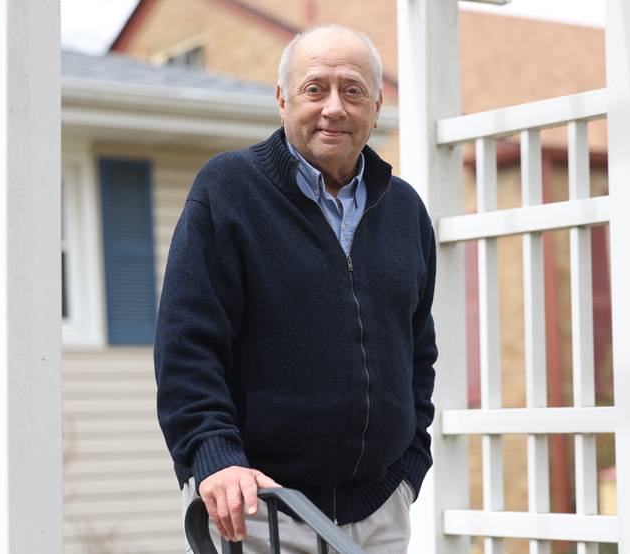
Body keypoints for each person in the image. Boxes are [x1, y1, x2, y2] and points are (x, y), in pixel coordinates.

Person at [154, 24, 437, 553]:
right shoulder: (228, 190)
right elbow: (186, 346)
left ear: (376, 106)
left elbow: (418, 349)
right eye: (315, 89)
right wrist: (213, 456)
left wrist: (409, 467)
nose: (334, 107)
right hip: (263, 507)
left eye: (352, 90)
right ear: (282, 100)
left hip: (381, 511)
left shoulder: (405, 211)